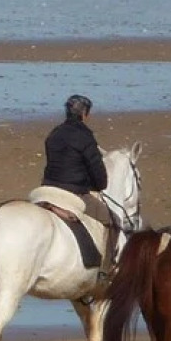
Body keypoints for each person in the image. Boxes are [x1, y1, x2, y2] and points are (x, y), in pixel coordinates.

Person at [40, 94, 115, 268]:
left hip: (48, 188)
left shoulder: (54, 134)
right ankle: (106, 269)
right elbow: (97, 171)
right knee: (111, 219)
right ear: (85, 115)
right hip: (73, 192)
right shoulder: (85, 137)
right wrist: (98, 186)